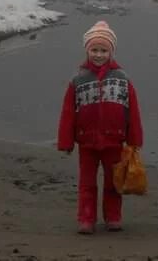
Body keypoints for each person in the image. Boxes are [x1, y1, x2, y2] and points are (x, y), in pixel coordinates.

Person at [57, 20, 143, 234]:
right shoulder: (77, 80)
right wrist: (66, 141)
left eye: (103, 50)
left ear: (111, 52)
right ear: (87, 51)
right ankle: (86, 219)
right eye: (94, 50)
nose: (98, 54)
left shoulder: (123, 79)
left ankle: (113, 217)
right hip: (87, 142)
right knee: (87, 183)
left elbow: (132, 111)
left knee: (113, 183)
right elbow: (68, 113)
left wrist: (134, 140)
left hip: (114, 140)